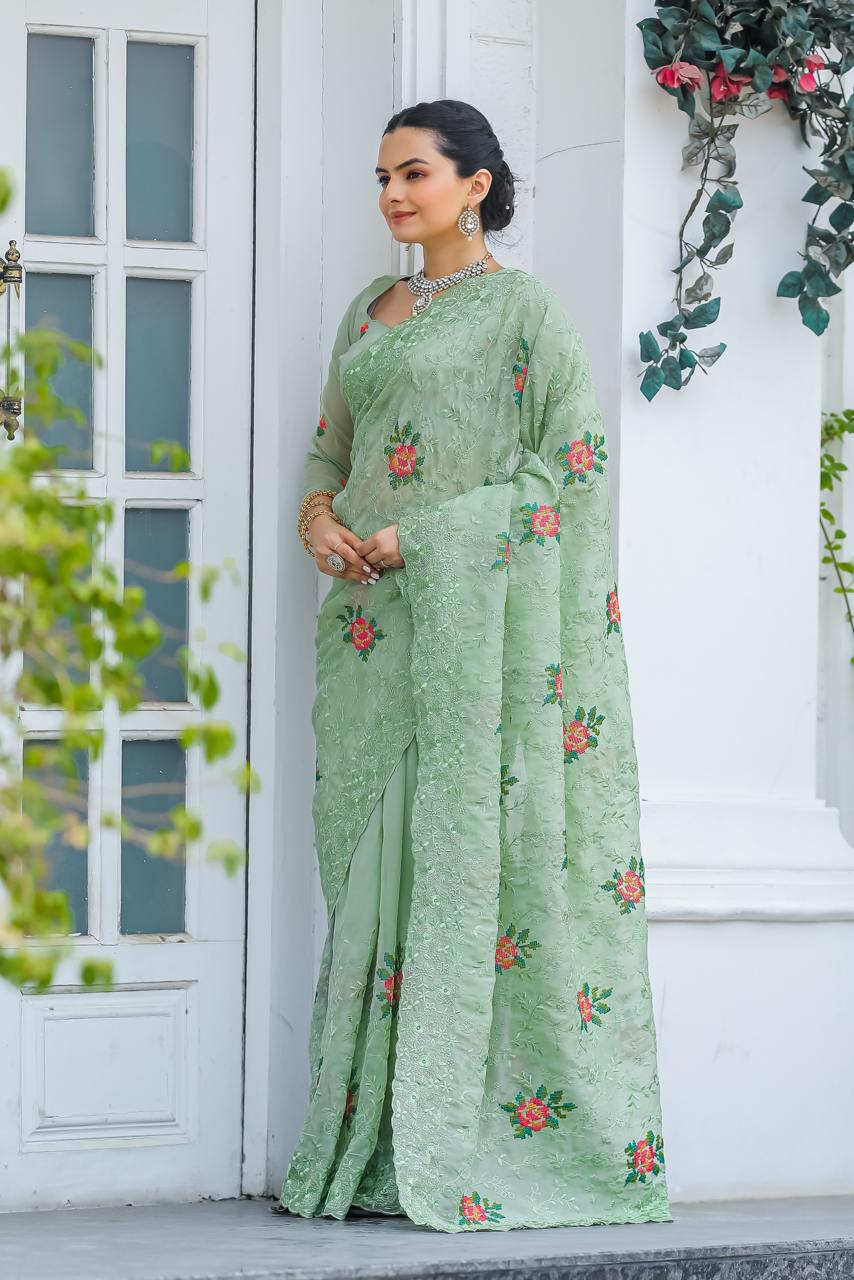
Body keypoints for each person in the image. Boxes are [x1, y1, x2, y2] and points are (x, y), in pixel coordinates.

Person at [277, 98, 672, 1234]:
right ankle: (361, 1150)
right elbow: (330, 446)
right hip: (366, 634)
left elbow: (570, 474)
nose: (393, 195)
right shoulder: (371, 308)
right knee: (364, 867)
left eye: (414, 173)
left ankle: (456, 1141)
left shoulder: (525, 312)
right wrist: (319, 518)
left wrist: (425, 536)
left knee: (460, 867)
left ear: (476, 186)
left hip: (471, 637)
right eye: (382, 177)